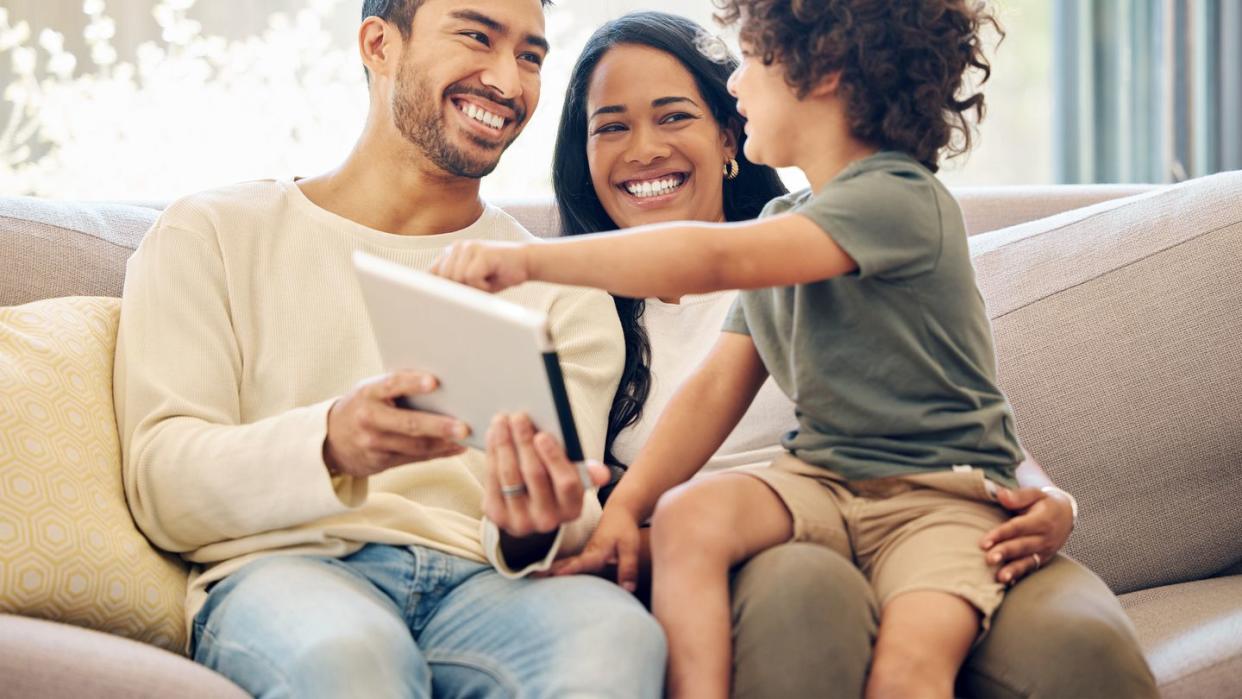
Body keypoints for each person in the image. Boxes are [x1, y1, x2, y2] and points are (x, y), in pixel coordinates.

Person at [433, 3, 1157, 698]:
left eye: (748, 62)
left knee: (915, 673)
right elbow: (716, 388)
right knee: (690, 517)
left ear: (828, 72)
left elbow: (716, 263)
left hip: (936, 497)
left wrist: (530, 262)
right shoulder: (781, 226)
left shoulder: (894, 200)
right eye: (612, 125)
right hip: (825, 481)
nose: (737, 84)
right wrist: (627, 511)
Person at [113, 1, 665, 697]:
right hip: (291, 569)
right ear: (379, 44)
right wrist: (331, 442)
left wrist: (535, 524)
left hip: (492, 584)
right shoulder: (213, 234)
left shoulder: (562, 289)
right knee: (350, 657)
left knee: (616, 637)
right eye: (476, 36)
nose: (508, 80)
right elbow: (162, 481)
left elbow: (564, 504)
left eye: (530, 56)